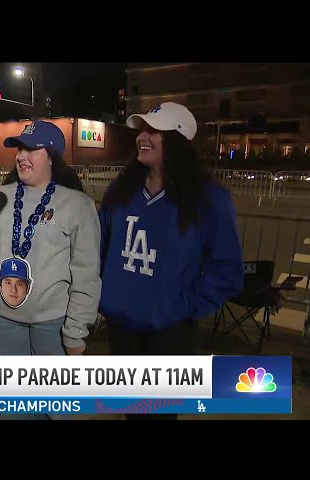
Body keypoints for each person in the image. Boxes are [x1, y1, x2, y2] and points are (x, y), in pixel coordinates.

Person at [98, 102, 244, 420]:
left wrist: (182, 304)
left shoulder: (209, 199)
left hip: (169, 334)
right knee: (131, 412)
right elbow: (100, 248)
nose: (143, 137)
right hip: (121, 329)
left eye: (155, 131)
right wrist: (104, 296)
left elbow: (227, 270)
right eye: (142, 130)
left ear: (177, 141)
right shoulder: (120, 191)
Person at [0, 120, 102, 419]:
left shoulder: (79, 205)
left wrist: (76, 332)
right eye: (19, 148)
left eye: (31, 148)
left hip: (55, 325)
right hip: (2, 321)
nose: (20, 155)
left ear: (51, 155)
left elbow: (86, 273)